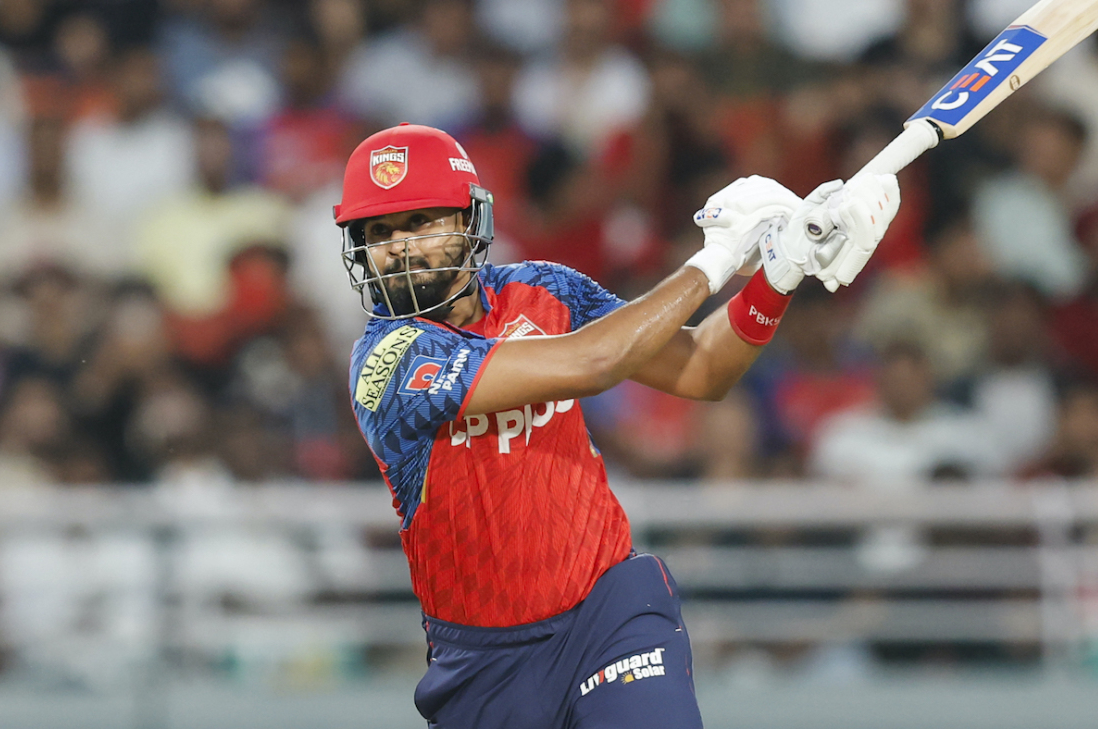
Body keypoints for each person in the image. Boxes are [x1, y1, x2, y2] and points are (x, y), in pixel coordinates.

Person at [334, 122, 898, 728]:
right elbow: (594, 361)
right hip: (483, 663)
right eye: (379, 232)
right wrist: (715, 260)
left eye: (420, 222)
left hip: (608, 612)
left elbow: (702, 368)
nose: (399, 246)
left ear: (468, 218)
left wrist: (780, 274)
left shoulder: (543, 288)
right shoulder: (385, 363)